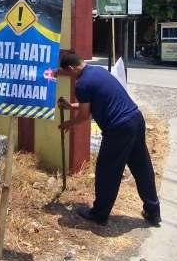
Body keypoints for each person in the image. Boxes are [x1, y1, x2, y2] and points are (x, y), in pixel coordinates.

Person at [56, 51, 161, 226]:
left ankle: (99, 214)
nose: (70, 77)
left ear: (72, 68)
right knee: (142, 167)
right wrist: (70, 106)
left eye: (68, 73)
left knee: (107, 171)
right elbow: (94, 103)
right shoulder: (98, 71)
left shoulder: (82, 84)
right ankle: (153, 211)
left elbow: (84, 117)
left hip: (118, 128)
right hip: (135, 118)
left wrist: (68, 124)